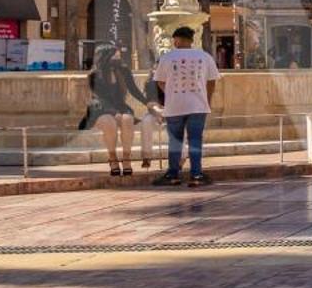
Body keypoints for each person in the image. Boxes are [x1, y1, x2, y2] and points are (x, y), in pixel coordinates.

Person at [153, 26, 219, 187]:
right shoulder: (205, 57)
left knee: (175, 140)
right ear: (191, 40)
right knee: (195, 140)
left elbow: (160, 81)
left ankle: (173, 174)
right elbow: (212, 81)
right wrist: (207, 99)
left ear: (177, 39)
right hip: (198, 105)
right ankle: (196, 174)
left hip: (175, 105)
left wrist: (170, 92)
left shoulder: (167, 57)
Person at [88, 45, 144, 177]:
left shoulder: (123, 70)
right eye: (115, 55)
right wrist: (115, 114)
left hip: (120, 106)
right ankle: (112, 158)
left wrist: (148, 103)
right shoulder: (94, 75)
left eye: (119, 55)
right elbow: (99, 98)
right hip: (101, 109)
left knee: (127, 119)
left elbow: (134, 90)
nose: (118, 58)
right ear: (105, 57)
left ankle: (126, 158)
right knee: (110, 123)